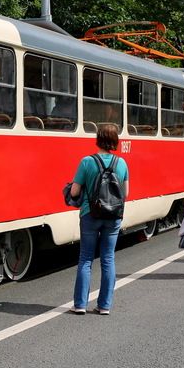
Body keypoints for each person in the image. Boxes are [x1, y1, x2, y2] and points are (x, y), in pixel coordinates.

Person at [68, 123, 129, 315]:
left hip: (90, 214)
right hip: (113, 216)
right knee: (108, 259)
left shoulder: (87, 161)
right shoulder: (122, 163)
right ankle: (104, 306)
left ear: (98, 139)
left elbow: (75, 190)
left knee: (85, 259)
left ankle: (80, 305)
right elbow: (125, 193)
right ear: (115, 141)